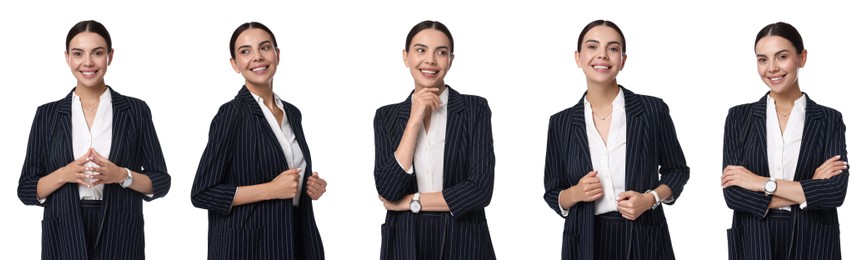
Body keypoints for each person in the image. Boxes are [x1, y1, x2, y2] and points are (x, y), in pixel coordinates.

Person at [17, 20, 171, 260]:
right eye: (78, 54)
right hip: (63, 230)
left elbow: (160, 181)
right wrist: (64, 174)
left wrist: (121, 176)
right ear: (67, 57)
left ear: (110, 56)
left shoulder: (135, 110)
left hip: (121, 231)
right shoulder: (46, 115)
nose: (88, 62)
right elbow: (26, 189)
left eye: (97, 53)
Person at [542, 20, 690, 260]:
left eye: (612, 48)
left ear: (623, 59)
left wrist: (650, 199)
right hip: (584, 240)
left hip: (645, 237)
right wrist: (576, 193)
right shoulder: (560, 123)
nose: (602, 55)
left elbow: (678, 170)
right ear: (578, 57)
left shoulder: (652, 110)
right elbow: (552, 191)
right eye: (592, 47)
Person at [190, 22, 327, 260]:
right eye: (245, 51)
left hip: (297, 239)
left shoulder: (293, 114)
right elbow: (202, 193)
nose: (257, 57)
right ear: (235, 64)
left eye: (264, 48)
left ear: (277, 54)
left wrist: (311, 187)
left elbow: (290, 181)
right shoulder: (232, 114)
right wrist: (271, 190)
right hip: (249, 248)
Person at [721, 21, 849, 260]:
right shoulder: (739, 117)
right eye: (762, 59)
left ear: (802, 58)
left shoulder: (830, 119)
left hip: (815, 239)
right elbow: (734, 195)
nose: (772, 68)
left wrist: (761, 183)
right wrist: (808, 187)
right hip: (753, 239)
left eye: (781, 57)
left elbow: (834, 192)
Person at [374, 20, 496, 260]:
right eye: (420, 50)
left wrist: (411, 202)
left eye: (441, 52)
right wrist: (414, 119)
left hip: (464, 239)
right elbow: (388, 190)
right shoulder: (386, 116)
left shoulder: (475, 109)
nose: (430, 60)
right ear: (406, 57)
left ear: (450, 60)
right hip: (405, 242)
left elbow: (480, 190)